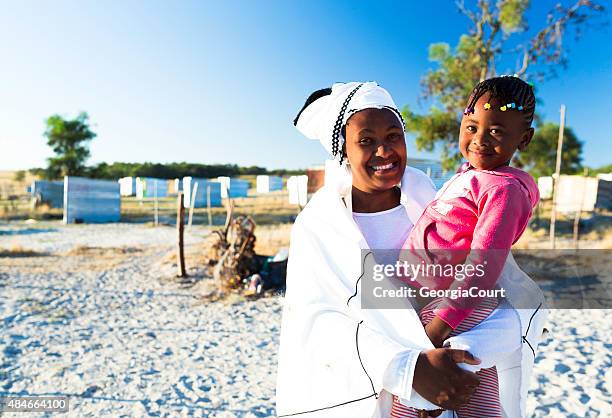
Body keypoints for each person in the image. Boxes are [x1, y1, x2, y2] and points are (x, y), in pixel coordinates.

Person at [275, 81, 546, 418]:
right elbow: (315, 325)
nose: (384, 151)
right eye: (366, 141)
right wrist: (411, 370)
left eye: (393, 136)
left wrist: (459, 354)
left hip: (454, 382)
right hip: (373, 397)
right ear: (344, 150)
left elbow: (499, 292)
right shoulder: (320, 227)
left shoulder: (431, 200)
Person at [394, 76, 539, 417]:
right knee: (479, 400)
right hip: (445, 304)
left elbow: (483, 266)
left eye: (496, 131)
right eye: (472, 126)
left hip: (452, 307)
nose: (479, 140)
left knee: (410, 401)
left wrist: (438, 326)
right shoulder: (469, 176)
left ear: (525, 138)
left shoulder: (504, 190)